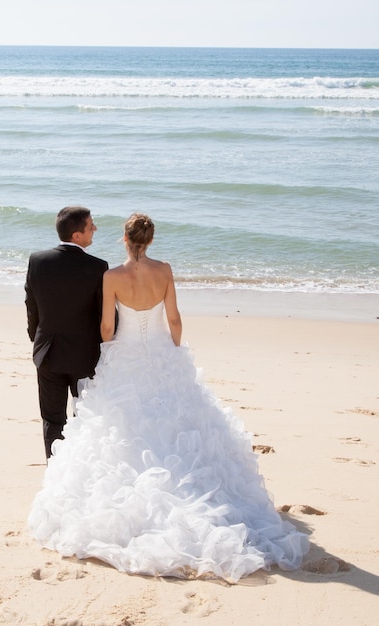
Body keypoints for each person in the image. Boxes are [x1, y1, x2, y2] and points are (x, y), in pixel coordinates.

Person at [28, 213, 309, 582]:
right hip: (161, 352)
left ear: (125, 240)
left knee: (118, 428)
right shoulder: (164, 271)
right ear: (149, 240)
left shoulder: (111, 275)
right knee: (175, 422)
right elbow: (174, 319)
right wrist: (173, 353)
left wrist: (111, 351)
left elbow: (107, 327)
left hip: (125, 354)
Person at [25, 205, 109, 459]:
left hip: (47, 352)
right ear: (76, 235)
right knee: (84, 414)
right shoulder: (98, 267)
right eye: (90, 225)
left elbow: (32, 305)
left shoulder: (38, 261)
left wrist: (36, 337)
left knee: (52, 417)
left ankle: (55, 471)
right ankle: (79, 466)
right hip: (85, 355)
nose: (94, 228)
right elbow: (103, 314)